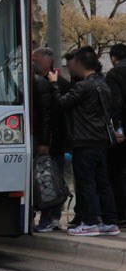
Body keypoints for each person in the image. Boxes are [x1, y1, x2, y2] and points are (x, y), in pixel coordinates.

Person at [49, 49, 121, 236]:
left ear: (80, 65)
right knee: (103, 182)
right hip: (101, 140)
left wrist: (54, 84)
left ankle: (89, 222)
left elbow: (61, 104)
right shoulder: (103, 85)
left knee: (86, 181)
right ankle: (110, 221)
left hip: (84, 140)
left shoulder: (83, 86)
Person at [32, 48, 62, 231]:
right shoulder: (38, 81)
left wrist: (44, 141)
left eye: (36, 58)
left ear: (47, 61)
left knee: (47, 178)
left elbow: (46, 115)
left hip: (50, 141)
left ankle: (50, 217)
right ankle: (47, 217)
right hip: (47, 139)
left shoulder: (50, 83)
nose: (32, 60)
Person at [104, 43, 126, 226]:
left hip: (123, 133)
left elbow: (116, 104)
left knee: (116, 172)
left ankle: (120, 213)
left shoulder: (115, 74)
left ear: (113, 58)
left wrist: (117, 130)